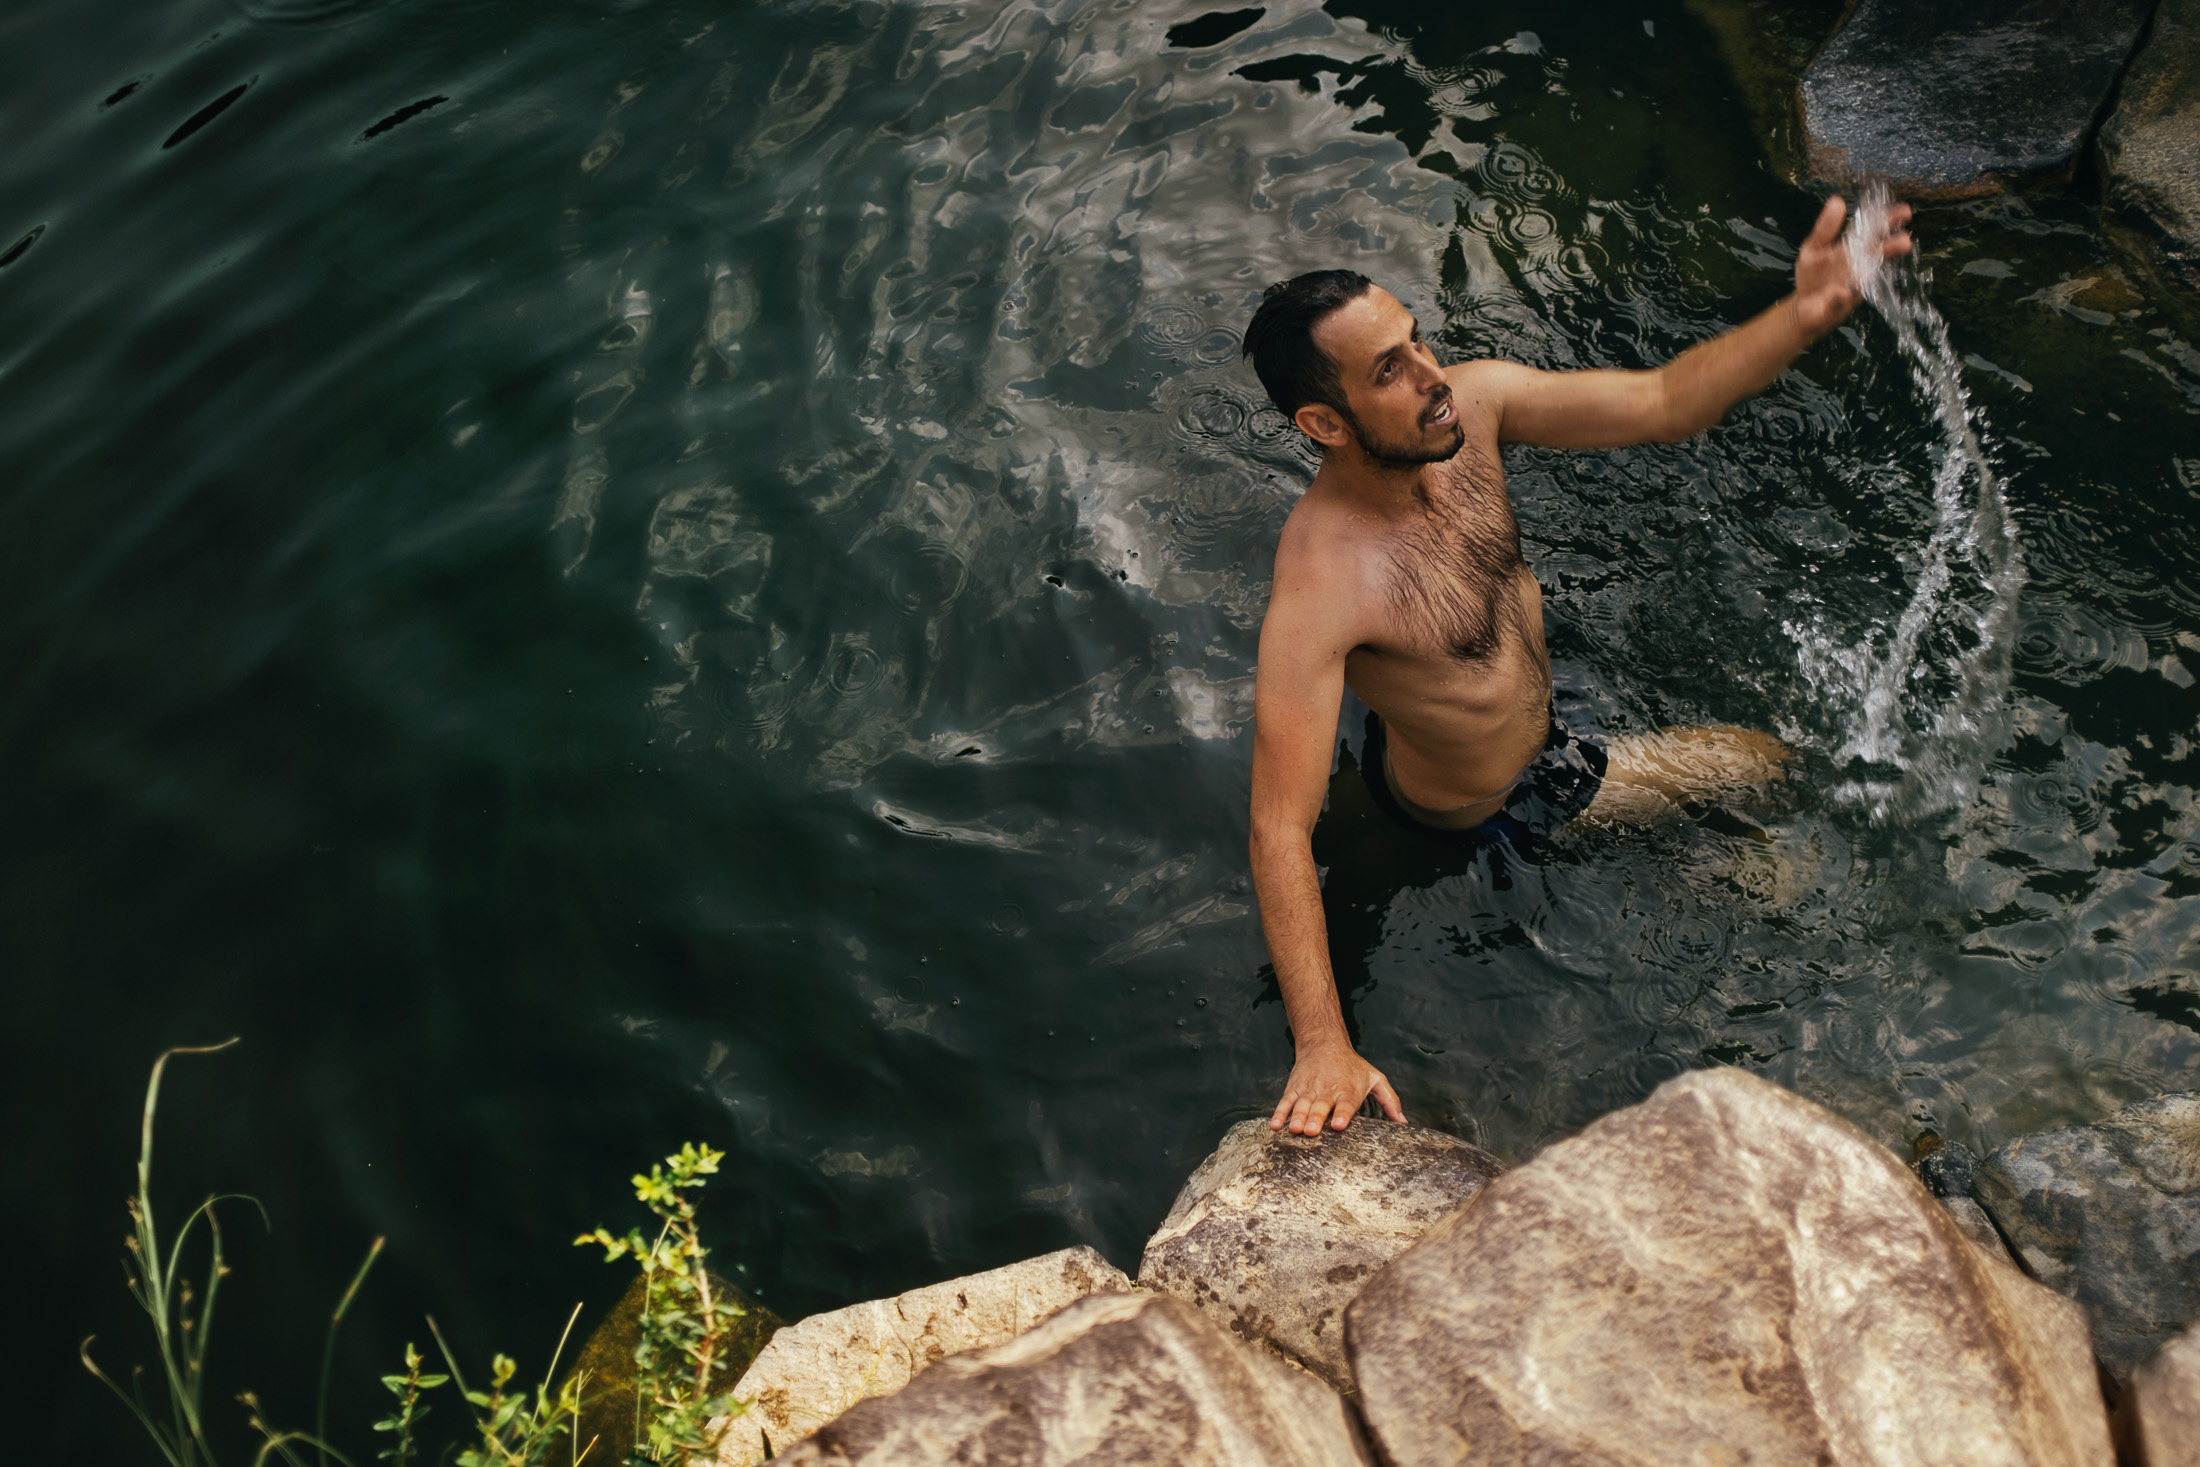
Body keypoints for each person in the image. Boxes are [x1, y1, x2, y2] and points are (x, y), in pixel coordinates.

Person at [1245, 194, 1912, 1137]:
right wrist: (1322, 1043)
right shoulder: (1323, 588)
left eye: (1418, 339)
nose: (1434, 377)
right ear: (1326, 422)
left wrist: (1799, 316)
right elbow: (1279, 825)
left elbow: (1664, 403)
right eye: (1390, 371)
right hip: (1501, 802)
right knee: (1756, 761)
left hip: (1498, 717)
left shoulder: (1474, 406)